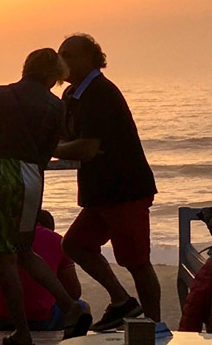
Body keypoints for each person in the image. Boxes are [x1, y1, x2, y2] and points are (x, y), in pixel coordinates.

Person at [0, 49, 91, 345]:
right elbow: (47, 150)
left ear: (26, 68)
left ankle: (22, 332)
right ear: (54, 75)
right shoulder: (54, 106)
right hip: (31, 176)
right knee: (24, 250)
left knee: (3, 254)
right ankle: (69, 305)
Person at [55, 33, 160, 328]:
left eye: (70, 55)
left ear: (91, 57)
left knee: (137, 262)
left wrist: (51, 149)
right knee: (75, 245)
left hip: (124, 190)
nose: (63, 61)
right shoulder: (73, 96)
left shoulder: (100, 93)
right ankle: (122, 300)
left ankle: (154, 326)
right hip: (101, 193)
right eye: (61, 55)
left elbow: (86, 147)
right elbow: (69, 137)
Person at [0, 209, 87, 335]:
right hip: (36, 321)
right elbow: (74, 292)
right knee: (82, 308)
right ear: (49, 228)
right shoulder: (58, 241)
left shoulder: (0, 239)